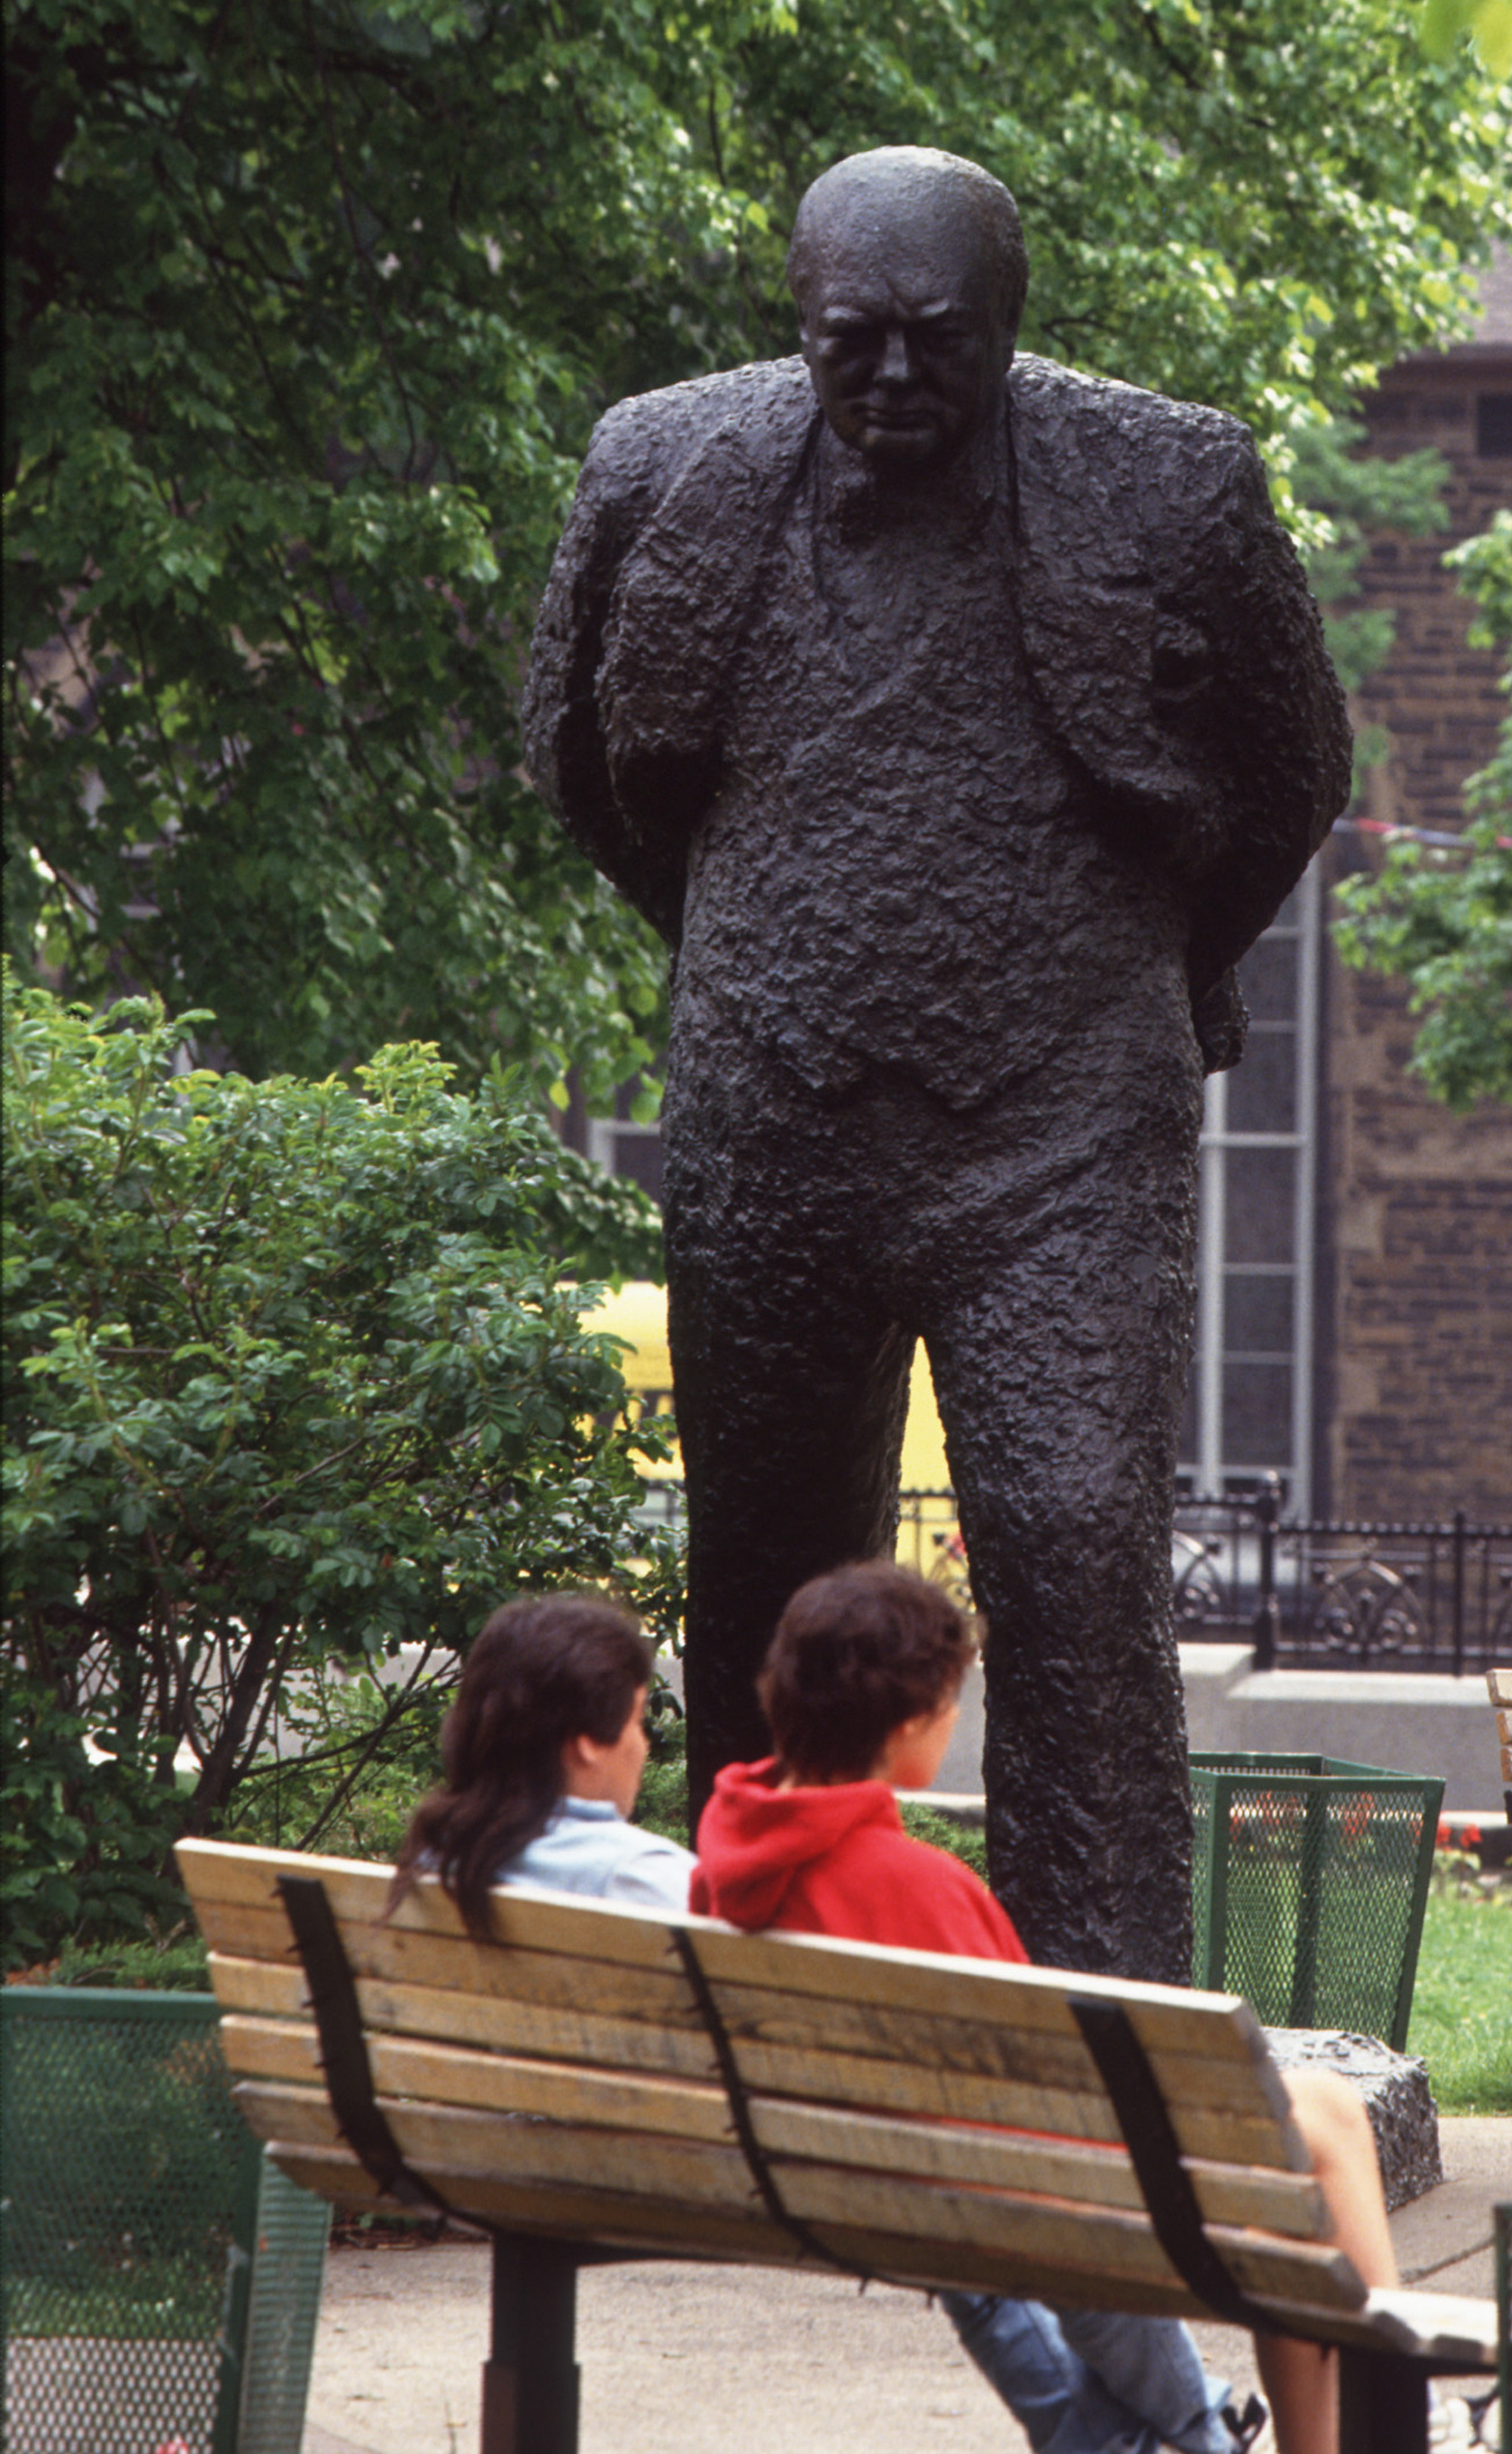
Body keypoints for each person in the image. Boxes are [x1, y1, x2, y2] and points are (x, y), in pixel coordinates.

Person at [523, 144, 1353, 1987]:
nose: (893, 375)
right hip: (772, 1116)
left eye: (935, 339)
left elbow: (1294, 768)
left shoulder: (1169, 481)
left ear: (1008, 325)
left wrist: (1149, 975)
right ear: (797, 324)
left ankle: (1101, 2026)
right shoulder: (659, 469)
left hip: (1059, 1126)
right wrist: (738, 943)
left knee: (1072, 1551)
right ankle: (774, 2010)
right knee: (765, 1576)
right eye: (853, 341)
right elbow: (575, 753)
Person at [691, 1564, 1508, 2454]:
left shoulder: (724, 1865)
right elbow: (1047, 2095)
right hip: (1028, 2193)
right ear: (907, 1724)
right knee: (1321, 2134)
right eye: (951, 1702)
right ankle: (1398, 2439)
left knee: (1317, 2112)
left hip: (853, 2185)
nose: (957, 1718)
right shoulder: (919, 1889)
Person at [388, 1595, 693, 1930]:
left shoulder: (437, 1855)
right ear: (588, 1742)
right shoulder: (642, 1877)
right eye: (637, 1721)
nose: (644, 1744)